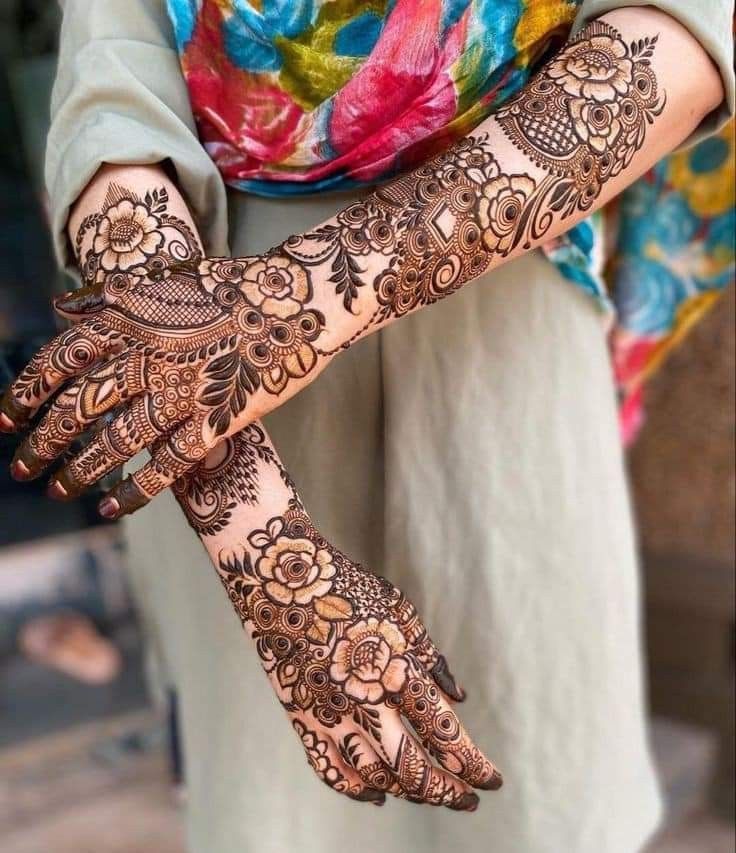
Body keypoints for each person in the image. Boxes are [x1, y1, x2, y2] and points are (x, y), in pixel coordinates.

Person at [1, 1, 734, 850]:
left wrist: (300, 302)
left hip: (500, 367)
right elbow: (111, 118)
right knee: (272, 802)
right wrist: (270, 552)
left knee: (540, 776)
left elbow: (670, 44)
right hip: (217, 387)